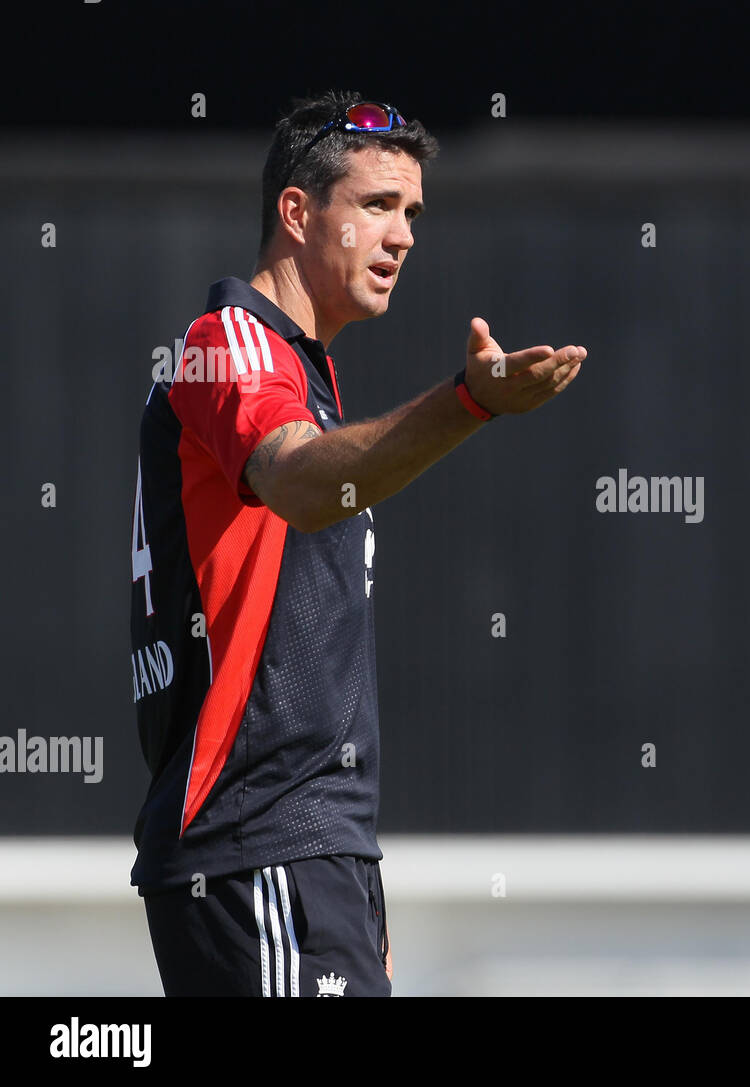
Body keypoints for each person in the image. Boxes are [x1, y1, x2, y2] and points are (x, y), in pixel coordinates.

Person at [128, 91, 587, 997]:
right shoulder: (229, 342)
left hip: (307, 853)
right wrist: (470, 403)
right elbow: (300, 483)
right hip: (262, 840)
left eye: (412, 212)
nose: (405, 234)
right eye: (377, 205)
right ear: (296, 213)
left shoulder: (302, 371)